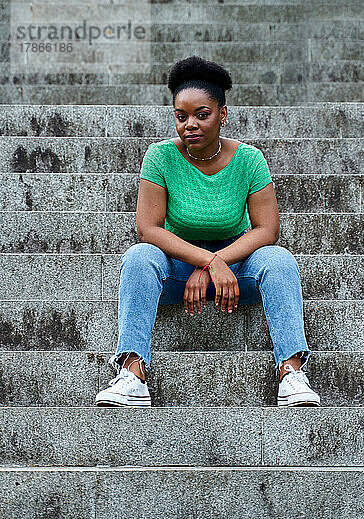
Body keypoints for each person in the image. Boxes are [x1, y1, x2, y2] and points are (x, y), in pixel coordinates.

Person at [95, 56, 320, 408]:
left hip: (236, 271)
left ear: (223, 114)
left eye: (202, 114)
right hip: (178, 272)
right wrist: (204, 262)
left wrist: (216, 263)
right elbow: (147, 228)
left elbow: (268, 229)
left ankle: (291, 373)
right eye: (181, 116)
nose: (190, 125)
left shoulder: (249, 160)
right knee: (139, 257)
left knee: (279, 261)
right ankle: (132, 374)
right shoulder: (160, 157)